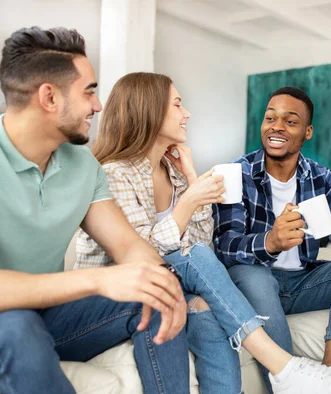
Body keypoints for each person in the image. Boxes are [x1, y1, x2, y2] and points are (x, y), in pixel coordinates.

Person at [76, 72, 331, 394]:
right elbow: (138, 256)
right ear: (150, 111)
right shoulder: (115, 174)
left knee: (207, 311)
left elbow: (201, 244)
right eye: (178, 105)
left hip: (172, 280)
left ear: (307, 132)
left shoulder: (174, 172)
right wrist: (192, 202)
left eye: (290, 121)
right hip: (119, 288)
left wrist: (189, 176)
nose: (187, 114)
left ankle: (299, 373)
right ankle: (285, 368)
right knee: (218, 272)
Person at [0, 27, 190, 394]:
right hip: (10, 325)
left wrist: (163, 281)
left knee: (152, 292)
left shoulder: (83, 166)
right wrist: (98, 279)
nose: (98, 105)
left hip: (48, 317)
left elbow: (127, 245)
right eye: (89, 91)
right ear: (49, 97)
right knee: (16, 325)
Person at [213, 86, 331, 393]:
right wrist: (270, 241)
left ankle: (330, 374)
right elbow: (225, 246)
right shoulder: (236, 174)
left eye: (290, 121)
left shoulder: (322, 178)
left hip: (303, 282)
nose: (277, 126)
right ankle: (289, 382)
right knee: (250, 274)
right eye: (270, 118)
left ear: (307, 132)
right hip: (255, 280)